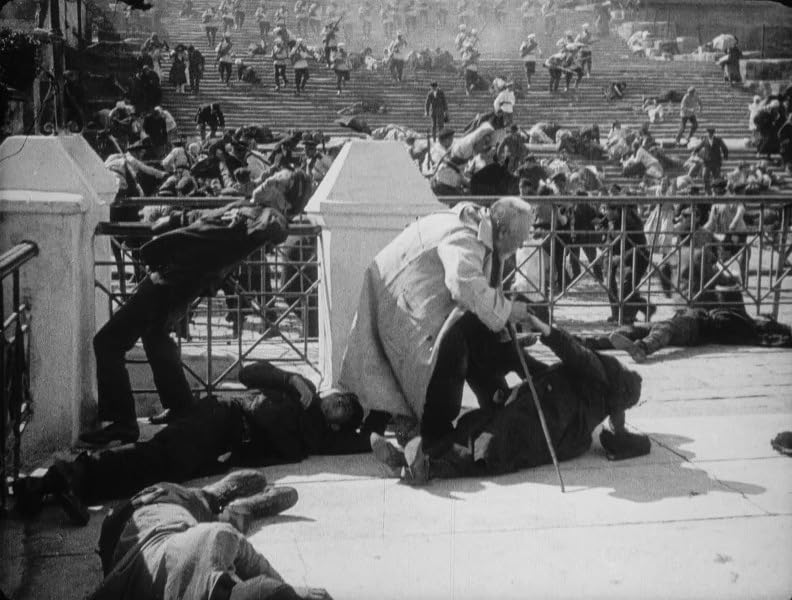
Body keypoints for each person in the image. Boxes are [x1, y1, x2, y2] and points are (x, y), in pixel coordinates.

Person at [77, 170, 312, 446]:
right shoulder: (245, 206)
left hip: (174, 280)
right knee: (155, 335)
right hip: (178, 278)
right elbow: (204, 218)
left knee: (108, 342)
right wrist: (172, 218)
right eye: (270, 176)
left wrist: (277, 215)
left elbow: (276, 228)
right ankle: (180, 407)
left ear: (284, 202)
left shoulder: (265, 217)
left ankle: (121, 424)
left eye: (275, 183)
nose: (265, 180)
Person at [17, 360, 368, 524]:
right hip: (222, 418)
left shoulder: (320, 439)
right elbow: (247, 372)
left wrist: (389, 422)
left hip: (223, 449)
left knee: (155, 473)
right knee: (157, 456)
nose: (339, 402)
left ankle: (53, 487)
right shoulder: (302, 388)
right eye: (341, 397)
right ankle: (67, 475)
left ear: (338, 425)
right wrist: (289, 378)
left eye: (345, 408)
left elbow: (366, 440)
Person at [339, 198, 538, 449]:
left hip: (407, 299)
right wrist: (509, 310)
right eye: (520, 238)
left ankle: (490, 405)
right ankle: (433, 435)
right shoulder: (465, 238)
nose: (521, 245)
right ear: (504, 231)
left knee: (477, 333)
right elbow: (464, 286)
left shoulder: (481, 226)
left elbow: (483, 298)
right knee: (453, 348)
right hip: (399, 306)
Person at [371, 313, 650, 485]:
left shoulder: (602, 372)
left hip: (539, 416)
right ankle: (409, 461)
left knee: (484, 445)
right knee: (477, 430)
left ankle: (425, 468)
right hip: (546, 425)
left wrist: (547, 330)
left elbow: (577, 354)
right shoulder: (608, 408)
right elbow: (618, 432)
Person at [85, 473, 324, 600]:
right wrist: (289, 590)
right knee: (206, 515)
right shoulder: (216, 541)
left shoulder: (216, 542)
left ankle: (222, 503)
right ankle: (223, 503)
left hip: (135, 524)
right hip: (146, 515)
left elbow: (249, 562)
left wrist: (287, 590)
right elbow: (247, 559)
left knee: (207, 516)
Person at [585, 294, 792, 363]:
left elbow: (764, 337)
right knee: (636, 328)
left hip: (695, 327)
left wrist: (780, 334)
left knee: (664, 328)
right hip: (686, 320)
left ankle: (642, 348)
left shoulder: (746, 325)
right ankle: (589, 342)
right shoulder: (741, 317)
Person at [691, 127, 729, 194]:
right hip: (707, 162)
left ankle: (716, 191)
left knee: (716, 178)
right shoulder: (705, 140)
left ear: (713, 133)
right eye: (708, 133)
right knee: (705, 176)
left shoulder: (718, 140)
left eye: (711, 133)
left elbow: (724, 148)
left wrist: (725, 156)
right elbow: (699, 147)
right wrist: (694, 151)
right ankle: (708, 191)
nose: (709, 134)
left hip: (716, 162)